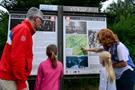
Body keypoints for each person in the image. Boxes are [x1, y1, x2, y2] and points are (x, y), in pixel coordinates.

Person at [0, 7, 43, 90]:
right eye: (41, 20)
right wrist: (21, 82)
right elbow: (17, 58)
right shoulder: (24, 30)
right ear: (36, 19)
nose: (41, 24)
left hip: (13, 77)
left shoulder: (22, 29)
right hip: (12, 79)